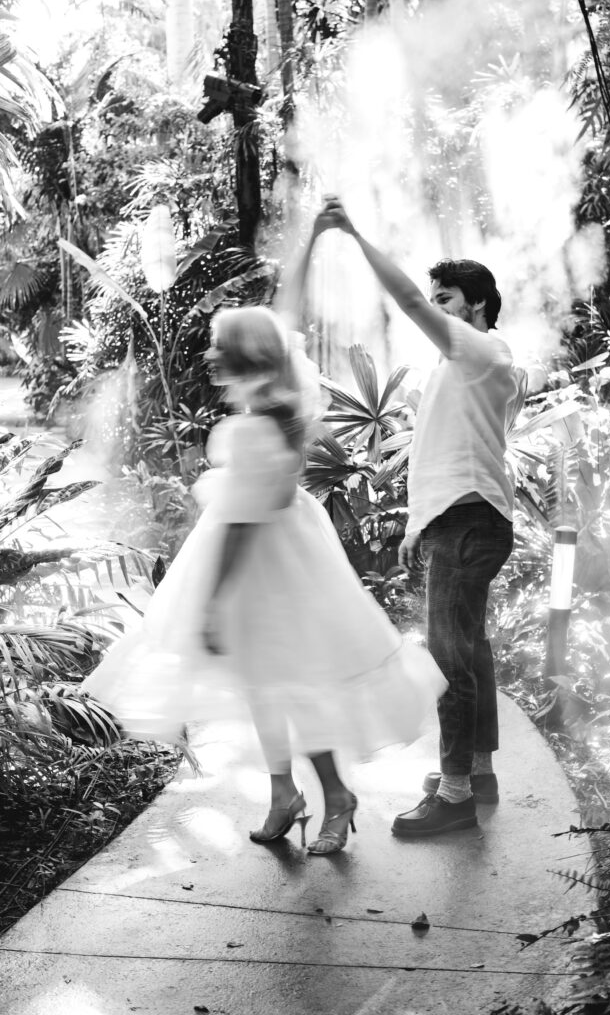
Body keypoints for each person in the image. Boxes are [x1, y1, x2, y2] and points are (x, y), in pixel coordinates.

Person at [80, 216, 447, 856]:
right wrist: (315, 239)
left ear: (244, 358)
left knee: (291, 683)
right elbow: (287, 313)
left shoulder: (258, 425)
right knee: (262, 682)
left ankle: (335, 795)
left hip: (266, 564)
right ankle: (286, 793)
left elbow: (240, 533)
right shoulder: (284, 390)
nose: (210, 355)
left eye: (221, 348)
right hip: (290, 546)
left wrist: (215, 602)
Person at [320, 197, 527, 837]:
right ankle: (477, 771)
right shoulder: (472, 364)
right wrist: (418, 524)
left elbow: (407, 302)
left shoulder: (480, 354)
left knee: (449, 660)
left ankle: (457, 794)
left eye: (446, 298)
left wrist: (354, 236)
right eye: (436, 297)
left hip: (469, 529)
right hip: (461, 523)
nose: (434, 307)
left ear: (477, 304)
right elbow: (453, 454)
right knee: (472, 653)